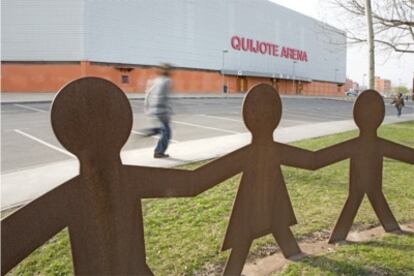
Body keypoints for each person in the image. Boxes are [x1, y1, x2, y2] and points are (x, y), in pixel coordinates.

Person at [143, 63, 173, 158]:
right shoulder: (167, 81)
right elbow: (164, 97)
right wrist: (167, 111)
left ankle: (154, 131)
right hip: (161, 110)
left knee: (164, 130)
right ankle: (159, 152)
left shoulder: (155, 80)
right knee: (167, 133)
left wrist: (147, 108)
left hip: (154, 109)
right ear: (167, 71)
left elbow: (147, 94)